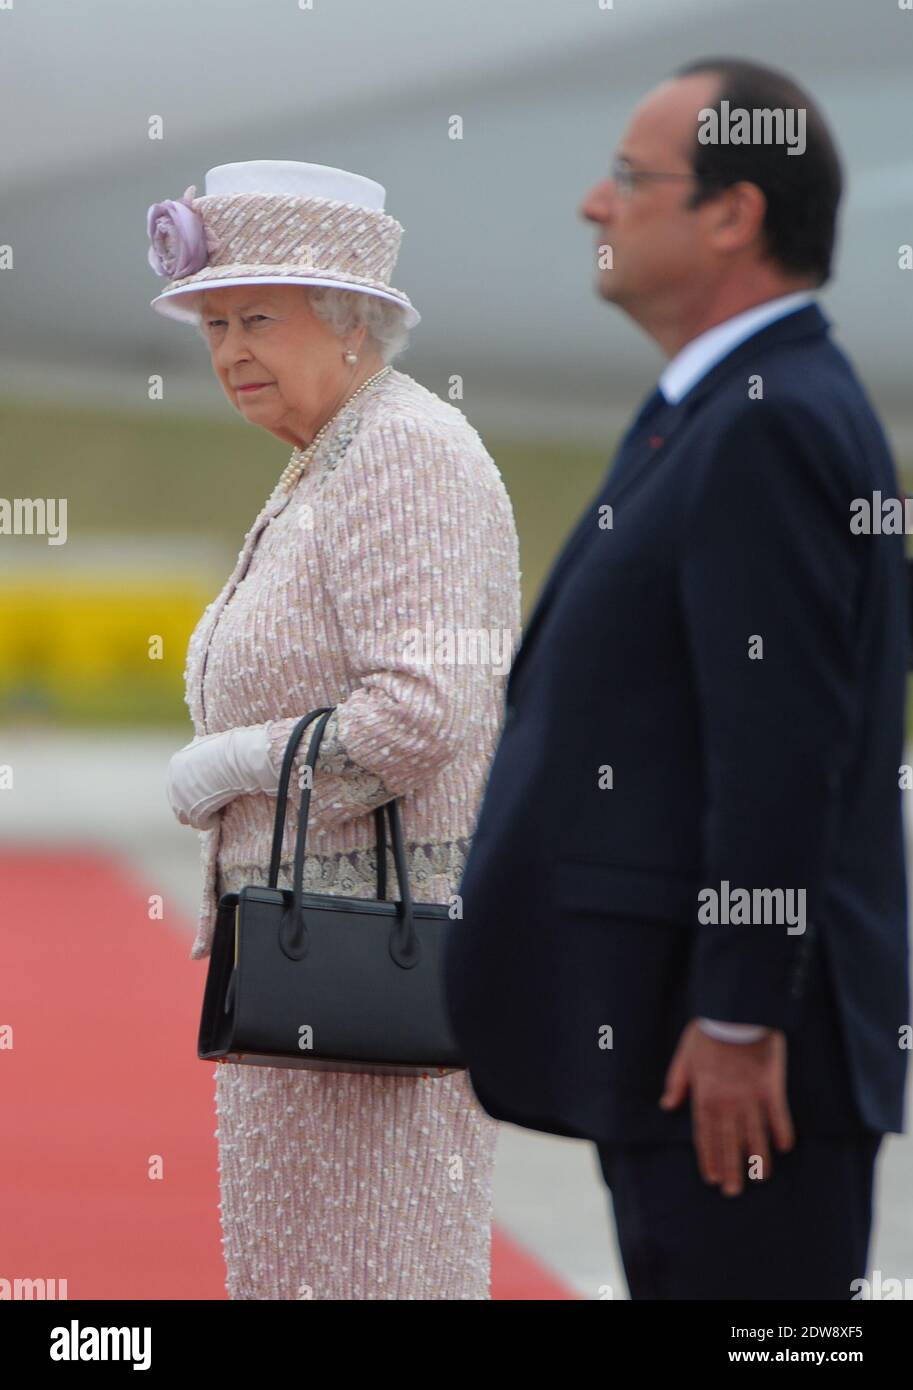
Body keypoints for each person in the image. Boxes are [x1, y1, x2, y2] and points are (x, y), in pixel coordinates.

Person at [444, 58, 909, 1299]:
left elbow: (781, 746)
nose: (596, 206)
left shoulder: (765, 419)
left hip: (737, 1066)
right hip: (680, 1041)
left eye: (628, 178)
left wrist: (743, 1013)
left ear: (730, 212)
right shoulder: (720, 407)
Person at [154, 160, 520, 1299]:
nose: (228, 352)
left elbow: (425, 708)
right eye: (214, 323)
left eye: (257, 318)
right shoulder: (332, 455)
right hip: (309, 978)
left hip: (374, 981)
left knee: (374, 1275)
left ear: (353, 320)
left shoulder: (405, 450)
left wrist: (234, 761)